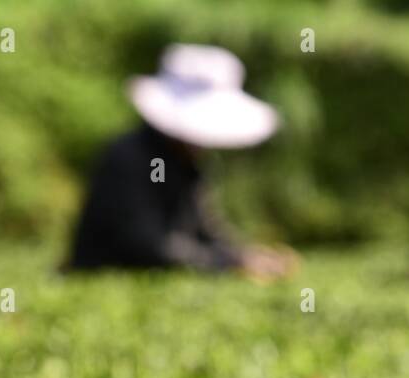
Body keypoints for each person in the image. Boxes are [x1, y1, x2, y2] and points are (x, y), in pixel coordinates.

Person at [65, 44, 296, 279]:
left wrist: (244, 256)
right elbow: (148, 244)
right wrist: (228, 262)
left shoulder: (184, 161)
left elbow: (204, 227)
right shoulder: (133, 157)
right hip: (105, 278)